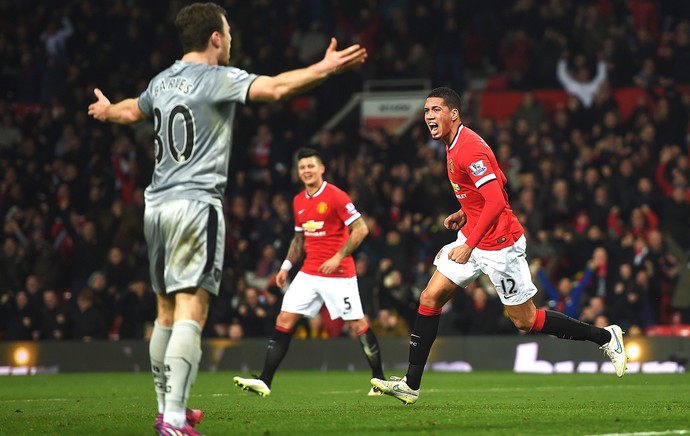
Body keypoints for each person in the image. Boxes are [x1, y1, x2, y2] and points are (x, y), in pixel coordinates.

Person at [87, 3, 368, 435]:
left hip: (156, 205)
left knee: (164, 312)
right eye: (229, 31)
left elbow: (130, 112)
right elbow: (275, 89)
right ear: (216, 37)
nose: (232, 37)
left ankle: (166, 409)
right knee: (190, 309)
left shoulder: (161, 81)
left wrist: (106, 111)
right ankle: (176, 422)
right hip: (196, 205)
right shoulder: (216, 78)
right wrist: (324, 68)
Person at [371, 87, 627, 405]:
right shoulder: (452, 146)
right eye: (426, 111)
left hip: (499, 244)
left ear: (453, 113)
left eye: (435, 110)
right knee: (430, 296)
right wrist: (465, 212)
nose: (428, 117)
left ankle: (605, 336)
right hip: (474, 234)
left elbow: (495, 201)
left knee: (525, 320)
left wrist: (469, 244)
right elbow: (500, 182)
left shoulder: (468, 148)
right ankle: (411, 384)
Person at [233, 147, 385, 397]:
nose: (306, 171)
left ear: (322, 168)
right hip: (309, 272)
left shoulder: (336, 196)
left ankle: (378, 380)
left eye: (311, 166)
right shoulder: (298, 201)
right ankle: (265, 380)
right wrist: (285, 267)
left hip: (338, 274)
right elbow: (298, 240)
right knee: (284, 320)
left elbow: (361, 229)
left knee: (358, 323)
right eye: (302, 167)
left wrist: (338, 257)